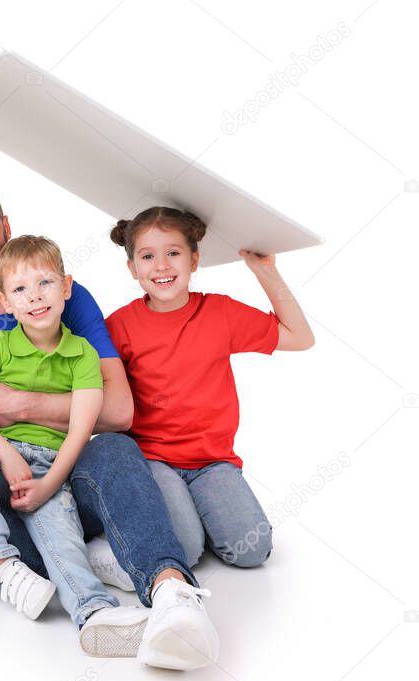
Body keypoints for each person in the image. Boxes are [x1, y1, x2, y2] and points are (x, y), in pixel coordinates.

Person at [0, 175, 219, 670]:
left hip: (65, 469)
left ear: (6, 227)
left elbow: (119, 412)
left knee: (116, 450)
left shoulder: (66, 300)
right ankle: (79, 559)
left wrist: (21, 405)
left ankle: (170, 593)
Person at [106, 206, 315, 569]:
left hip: (212, 462)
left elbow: (300, 337)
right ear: (132, 268)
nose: (161, 266)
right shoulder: (120, 325)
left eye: (173, 253)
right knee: (183, 552)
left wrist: (265, 272)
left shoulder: (220, 313)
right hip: (154, 460)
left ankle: (197, 510)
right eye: (148, 256)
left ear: (194, 259)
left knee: (252, 551)